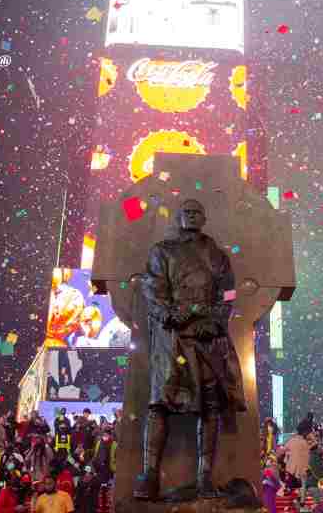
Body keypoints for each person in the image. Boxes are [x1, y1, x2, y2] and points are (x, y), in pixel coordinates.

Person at [133, 200, 247, 501]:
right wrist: (169, 314)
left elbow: (230, 292)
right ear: (179, 217)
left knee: (210, 406)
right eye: (187, 210)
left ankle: (205, 475)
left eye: (198, 210)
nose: (193, 214)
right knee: (160, 403)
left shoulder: (219, 258)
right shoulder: (163, 251)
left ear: (205, 218)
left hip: (206, 337)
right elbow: (151, 286)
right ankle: (149, 475)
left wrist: (216, 320)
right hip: (172, 337)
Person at [284, 423, 311, 492]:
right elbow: (306, 459)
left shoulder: (291, 440)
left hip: (291, 469)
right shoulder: (304, 443)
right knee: (301, 491)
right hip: (300, 471)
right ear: (305, 432)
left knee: (290, 490)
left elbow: (284, 450)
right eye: (308, 432)